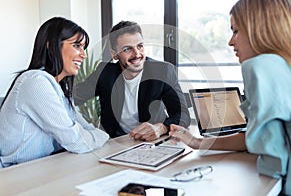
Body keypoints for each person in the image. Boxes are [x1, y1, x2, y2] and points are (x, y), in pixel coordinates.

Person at [169, 0, 291, 195]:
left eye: (236, 30)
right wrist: (197, 142)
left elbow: (274, 161)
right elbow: (257, 138)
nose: (231, 42)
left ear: (260, 28)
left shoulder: (260, 66)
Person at [0, 17, 109, 168]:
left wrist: (98, 135)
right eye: (77, 46)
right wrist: (103, 136)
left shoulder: (59, 89)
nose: (83, 55)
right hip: (14, 174)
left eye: (84, 48)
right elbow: (76, 141)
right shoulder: (36, 81)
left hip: (41, 168)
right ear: (51, 46)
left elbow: (86, 128)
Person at [74, 21, 190, 140]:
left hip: (153, 140)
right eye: (127, 49)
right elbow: (73, 96)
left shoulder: (163, 71)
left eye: (140, 46)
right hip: (115, 142)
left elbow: (182, 115)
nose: (137, 54)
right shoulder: (104, 73)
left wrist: (161, 128)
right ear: (114, 54)